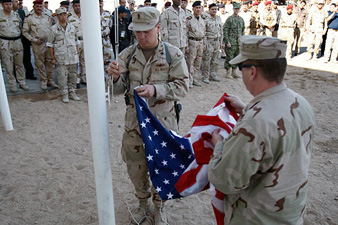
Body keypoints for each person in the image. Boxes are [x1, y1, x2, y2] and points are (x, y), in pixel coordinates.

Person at [208, 35, 315, 225]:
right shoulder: (301, 103)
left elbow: (225, 180)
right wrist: (247, 108)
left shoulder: (254, 123)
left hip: (257, 217)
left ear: (252, 72)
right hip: (290, 214)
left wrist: (219, 147)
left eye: (241, 67)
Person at [108, 7, 189, 225]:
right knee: (136, 168)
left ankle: (159, 207)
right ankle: (143, 204)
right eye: (138, 32)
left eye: (147, 31)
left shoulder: (173, 54)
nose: (142, 36)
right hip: (135, 125)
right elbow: (117, 90)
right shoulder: (127, 55)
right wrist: (115, 78)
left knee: (162, 167)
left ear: (158, 28)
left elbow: (182, 87)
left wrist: (157, 90)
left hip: (162, 125)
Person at [47, 7, 80, 103]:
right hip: (61, 57)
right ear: (57, 16)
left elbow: (76, 41)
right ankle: (64, 94)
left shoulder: (72, 27)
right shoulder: (53, 29)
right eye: (61, 15)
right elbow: (50, 44)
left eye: (65, 14)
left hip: (72, 57)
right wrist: (53, 58)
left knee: (73, 76)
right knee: (62, 77)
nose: (63, 17)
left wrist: (76, 53)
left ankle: (72, 92)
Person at [23, 0, 57, 90]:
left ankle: (51, 81)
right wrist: (33, 40)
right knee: (40, 64)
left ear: (43, 7)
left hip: (48, 43)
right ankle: (43, 81)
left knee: (49, 62)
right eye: (37, 6)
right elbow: (25, 32)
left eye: (40, 6)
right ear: (33, 7)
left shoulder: (48, 16)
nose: (39, 8)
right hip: (38, 44)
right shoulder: (29, 18)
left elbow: (54, 26)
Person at [0, 0, 29, 93]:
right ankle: (12, 84)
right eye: (6, 4)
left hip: (17, 41)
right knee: (8, 65)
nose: (8, 6)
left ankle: (22, 82)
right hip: (4, 42)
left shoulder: (16, 15)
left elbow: (21, 27)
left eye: (10, 4)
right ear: (2, 5)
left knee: (19, 64)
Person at [13, 0, 36, 80]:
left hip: (24, 38)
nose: (17, 3)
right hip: (13, 39)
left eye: (17, 2)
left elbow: (25, 24)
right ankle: (16, 76)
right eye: (15, 2)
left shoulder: (21, 12)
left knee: (27, 57)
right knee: (15, 59)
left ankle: (29, 74)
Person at [186, 0, 206, 88]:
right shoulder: (189, 19)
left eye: (199, 8)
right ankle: (189, 80)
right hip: (192, 42)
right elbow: (185, 33)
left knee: (198, 61)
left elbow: (204, 32)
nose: (198, 9)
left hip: (200, 42)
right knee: (190, 62)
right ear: (193, 9)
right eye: (196, 8)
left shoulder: (203, 19)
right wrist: (186, 45)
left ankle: (194, 79)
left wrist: (204, 44)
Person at [201, 3, 222, 84]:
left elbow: (221, 31)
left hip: (217, 41)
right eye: (212, 9)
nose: (214, 11)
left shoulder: (219, 18)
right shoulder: (205, 18)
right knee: (206, 59)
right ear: (209, 10)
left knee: (215, 60)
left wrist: (221, 42)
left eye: (215, 9)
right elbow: (204, 32)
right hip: (209, 41)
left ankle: (213, 75)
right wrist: (204, 44)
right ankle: (205, 76)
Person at [223, 2, 244, 79]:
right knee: (229, 57)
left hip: (238, 42)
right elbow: (225, 30)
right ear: (233, 9)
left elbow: (242, 31)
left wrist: (242, 41)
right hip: (231, 42)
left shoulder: (241, 19)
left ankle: (234, 72)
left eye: (238, 9)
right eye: (235, 9)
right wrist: (227, 41)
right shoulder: (230, 19)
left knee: (236, 57)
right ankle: (228, 72)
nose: (237, 10)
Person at [68, 0, 86, 85]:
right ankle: (77, 80)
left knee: (84, 61)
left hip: (85, 41)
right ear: (73, 6)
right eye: (76, 6)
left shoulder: (86, 15)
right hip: (75, 41)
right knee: (76, 61)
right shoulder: (70, 17)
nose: (78, 7)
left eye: (79, 5)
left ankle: (85, 79)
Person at [99, 0, 113, 76]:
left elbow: (110, 26)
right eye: (98, 3)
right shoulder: (92, 14)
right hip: (96, 40)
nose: (99, 4)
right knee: (97, 58)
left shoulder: (107, 14)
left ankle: (106, 76)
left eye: (101, 3)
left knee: (107, 58)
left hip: (106, 39)